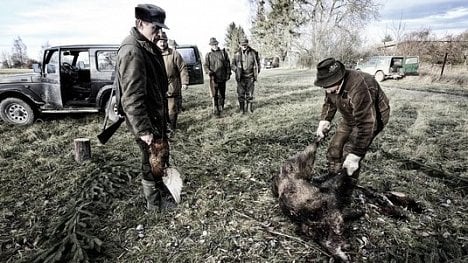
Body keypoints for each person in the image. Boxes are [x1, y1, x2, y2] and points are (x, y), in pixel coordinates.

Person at [116, 3, 175, 211]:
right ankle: (154, 204)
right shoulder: (132, 50)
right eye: (154, 28)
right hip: (146, 119)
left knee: (159, 155)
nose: (158, 33)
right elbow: (131, 97)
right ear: (140, 23)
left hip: (155, 115)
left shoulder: (145, 45)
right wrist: (143, 129)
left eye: (160, 28)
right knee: (150, 159)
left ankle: (161, 192)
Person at [313, 57, 390, 206]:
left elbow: (367, 124)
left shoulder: (359, 86)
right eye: (323, 86)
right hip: (350, 115)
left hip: (372, 118)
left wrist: (356, 155)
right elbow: (329, 102)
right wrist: (325, 120)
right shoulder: (330, 84)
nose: (326, 90)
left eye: (327, 86)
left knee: (350, 154)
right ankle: (333, 176)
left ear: (339, 79)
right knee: (334, 148)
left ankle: (345, 192)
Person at [155, 31, 189, 132]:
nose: (162, 43)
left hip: (172, 86)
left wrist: (184, 82)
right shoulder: (153, 53)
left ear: (167, 42)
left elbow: (182, 67)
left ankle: (172, 128)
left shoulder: (174, 54)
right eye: (160, 41)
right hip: (158, 88)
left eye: (164, 41)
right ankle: (163, 128)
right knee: (161, 110)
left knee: (172, 109)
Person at [231, 38, 261, 114]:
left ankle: (249, 109)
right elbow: (232, 65)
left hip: (250, 77)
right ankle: (241, 109)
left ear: (247, 44)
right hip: (240, 77)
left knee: (250, 94)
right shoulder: (236, 54)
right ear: (240, 45)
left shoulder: (254, 52)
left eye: (245, 44)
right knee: (240, 94)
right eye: (242, 44)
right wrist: (236, 70)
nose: (244, 46)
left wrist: (256, 73)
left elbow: (258, 64)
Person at [204, 37, 231, 116]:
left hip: (222, 77)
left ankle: (221, 108)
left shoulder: (223, 53)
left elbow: (228, 65)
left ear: (217, 44)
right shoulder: (208, 55)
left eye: (215, 44)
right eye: (213, 44)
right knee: (214, 94)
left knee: (222, 94)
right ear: (210, 45)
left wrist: (228, 74)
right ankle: (215, 109)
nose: (214, 46)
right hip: (213, 79)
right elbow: (205, 66)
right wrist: (209, 72)